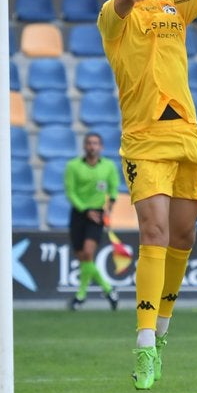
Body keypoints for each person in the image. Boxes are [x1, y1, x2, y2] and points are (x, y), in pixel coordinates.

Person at [99, 0, 197, 391]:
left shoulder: (174, 5)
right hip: (144, 139)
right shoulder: (113, 16)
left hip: (186, 135)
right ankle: (145, 342)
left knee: (184, 237)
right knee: (152, 231)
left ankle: (164, 329)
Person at [64, 132, 121, 311]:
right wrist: (84, 209)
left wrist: (108, 207)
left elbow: (113, 189)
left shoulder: (109, 166)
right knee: (82, 257)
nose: (92, 146)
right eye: (89, 143)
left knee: (88, 253)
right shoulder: (73, 166)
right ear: (84, 146)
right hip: (79, 213)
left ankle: (81, 296)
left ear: (101, 147)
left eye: (95, 143)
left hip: (97, 215)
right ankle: (108, 289)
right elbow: (70, 191)